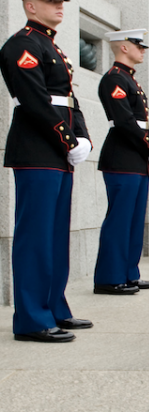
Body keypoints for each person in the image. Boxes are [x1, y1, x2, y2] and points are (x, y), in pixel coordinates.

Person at [0, 0, 93, 342]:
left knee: (55, 235)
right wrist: (67, 139)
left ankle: (53, 307)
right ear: (31, 5)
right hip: (38, 148)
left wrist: (82, 137)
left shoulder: (50, 44)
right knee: (35, 236)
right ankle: (31, 319)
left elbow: (68, 98)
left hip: (58, 151)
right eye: (51, 1)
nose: (59, 6)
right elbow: (35, 100)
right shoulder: (22, 44)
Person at [94, 29, 149, 295]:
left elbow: (141, 121)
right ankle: (110, 278)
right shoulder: (114, 79)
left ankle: (128, 272)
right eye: (138, 45)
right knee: (119, 220)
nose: (142, 50)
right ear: (123, 47)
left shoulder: (130, 79)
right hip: (122, 155)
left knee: (133, 220)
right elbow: (123, 121)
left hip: (135, 157)